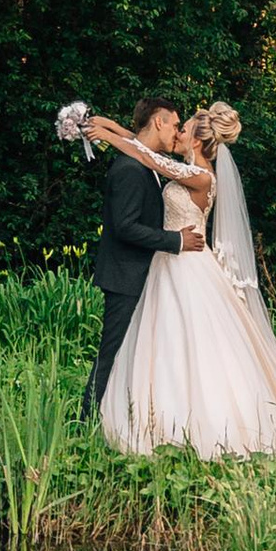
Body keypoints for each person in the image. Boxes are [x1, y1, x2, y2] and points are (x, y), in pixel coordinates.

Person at [94, 104, 276, 460]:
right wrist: (109, 125)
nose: (178, 132)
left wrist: (106, 136)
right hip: (169, 265)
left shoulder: (202, 177)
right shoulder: (189, 168)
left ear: (197, 138)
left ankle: (200, 418)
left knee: (196, 345)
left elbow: (149, 159)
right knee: (166, 342)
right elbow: (145, 147)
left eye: (185, 128)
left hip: (189, 266)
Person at [83, 95, 199, 421]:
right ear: (159, 121)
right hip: (125, 276)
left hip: (141, 274)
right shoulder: (130, 169)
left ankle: (124, 419)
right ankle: (86, 421)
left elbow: (135, 141)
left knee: (136, 353)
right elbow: (125, 227)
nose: (177, 132)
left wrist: (108, 128)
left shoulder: (144, 160)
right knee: (113, 352)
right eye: (175, 124)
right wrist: (175, 240)